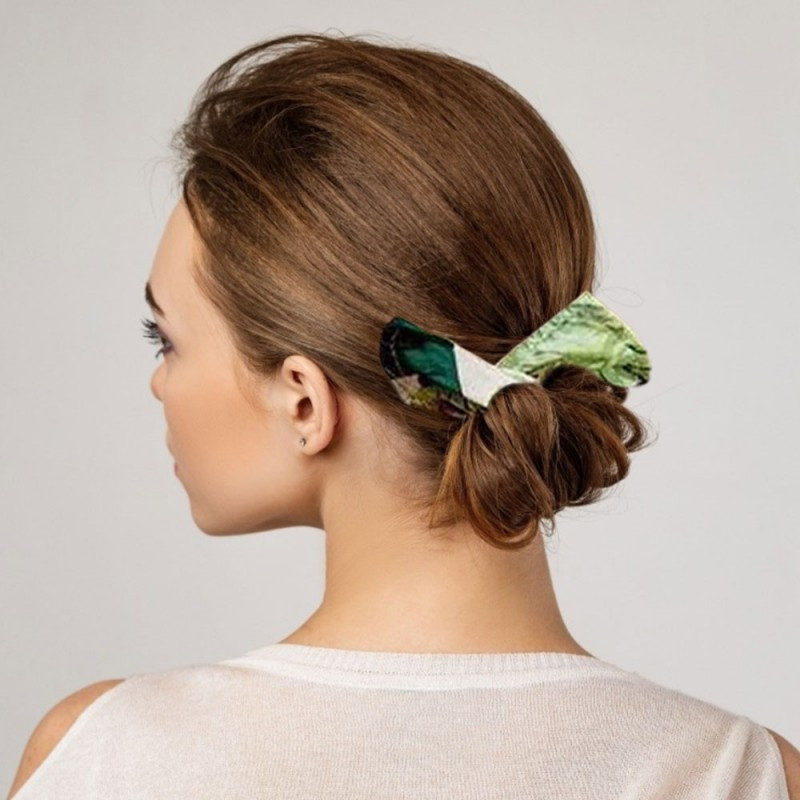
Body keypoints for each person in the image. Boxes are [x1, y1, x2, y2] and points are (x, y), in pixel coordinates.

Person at [7, 31, 798, 800]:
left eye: (167, 340)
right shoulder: (741, 773)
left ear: (305, 400)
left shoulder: (107, 757)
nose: (159, 383)